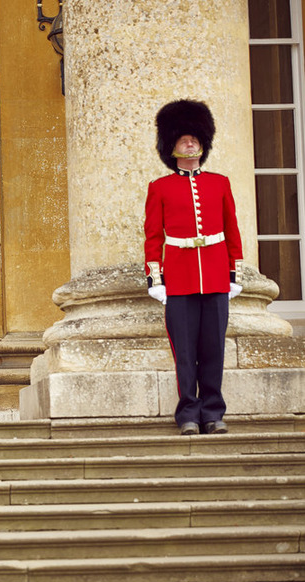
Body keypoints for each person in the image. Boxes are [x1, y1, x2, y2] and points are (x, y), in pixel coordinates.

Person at [144, 99, 243, 436]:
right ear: (171, 147)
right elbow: (154, 235)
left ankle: (213, 412)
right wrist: (155, 278)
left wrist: (234, 274)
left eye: (195, 137)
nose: (190, 142)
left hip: (215, 275)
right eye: (183, 138)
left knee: (213, 349)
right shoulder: (160, 188)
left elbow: (231, 230)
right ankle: (188, 412)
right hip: (180, 279)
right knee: (185, 353)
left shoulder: (220, 183)